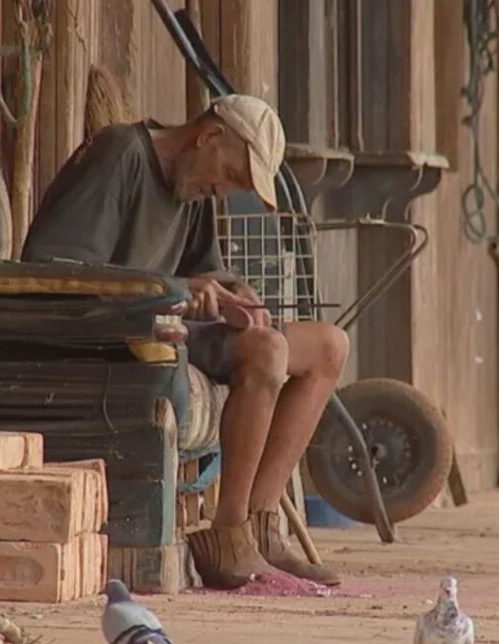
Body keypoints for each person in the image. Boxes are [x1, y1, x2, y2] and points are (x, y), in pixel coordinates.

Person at [22, 95, 348, 589]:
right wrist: (175, 288)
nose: (223, 191)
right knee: (268, 351)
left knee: (329, 346)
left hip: (169, 324)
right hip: (114, 331)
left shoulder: (194, 190)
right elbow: (58, 272)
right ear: (209, 136)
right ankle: (229, 533)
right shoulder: (120, 154)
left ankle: (262, 526)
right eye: (232, 175)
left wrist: (235, 291)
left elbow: (205, 268)